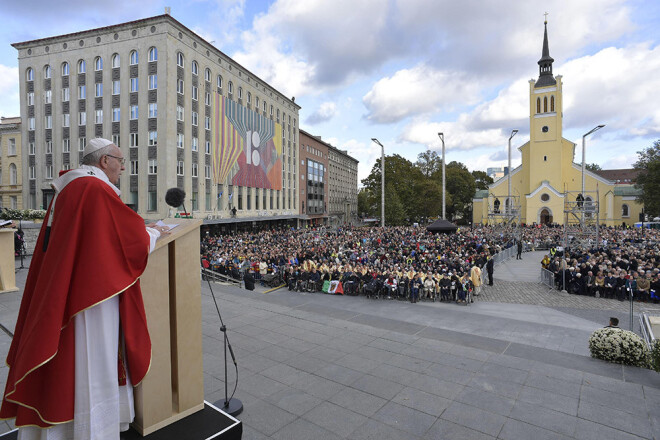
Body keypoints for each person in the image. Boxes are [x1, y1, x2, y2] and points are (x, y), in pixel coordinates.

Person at [1, 138, 167, 439]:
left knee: (74, 358)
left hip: (75, 286)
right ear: (104, 161)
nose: (122, 168)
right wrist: (152, 232)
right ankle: (92, 428)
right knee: (94, 355)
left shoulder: (71, 186)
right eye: (120, 161)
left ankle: (68, 426)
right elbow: (124, 238)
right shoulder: (94, 188)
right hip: (93, 296)